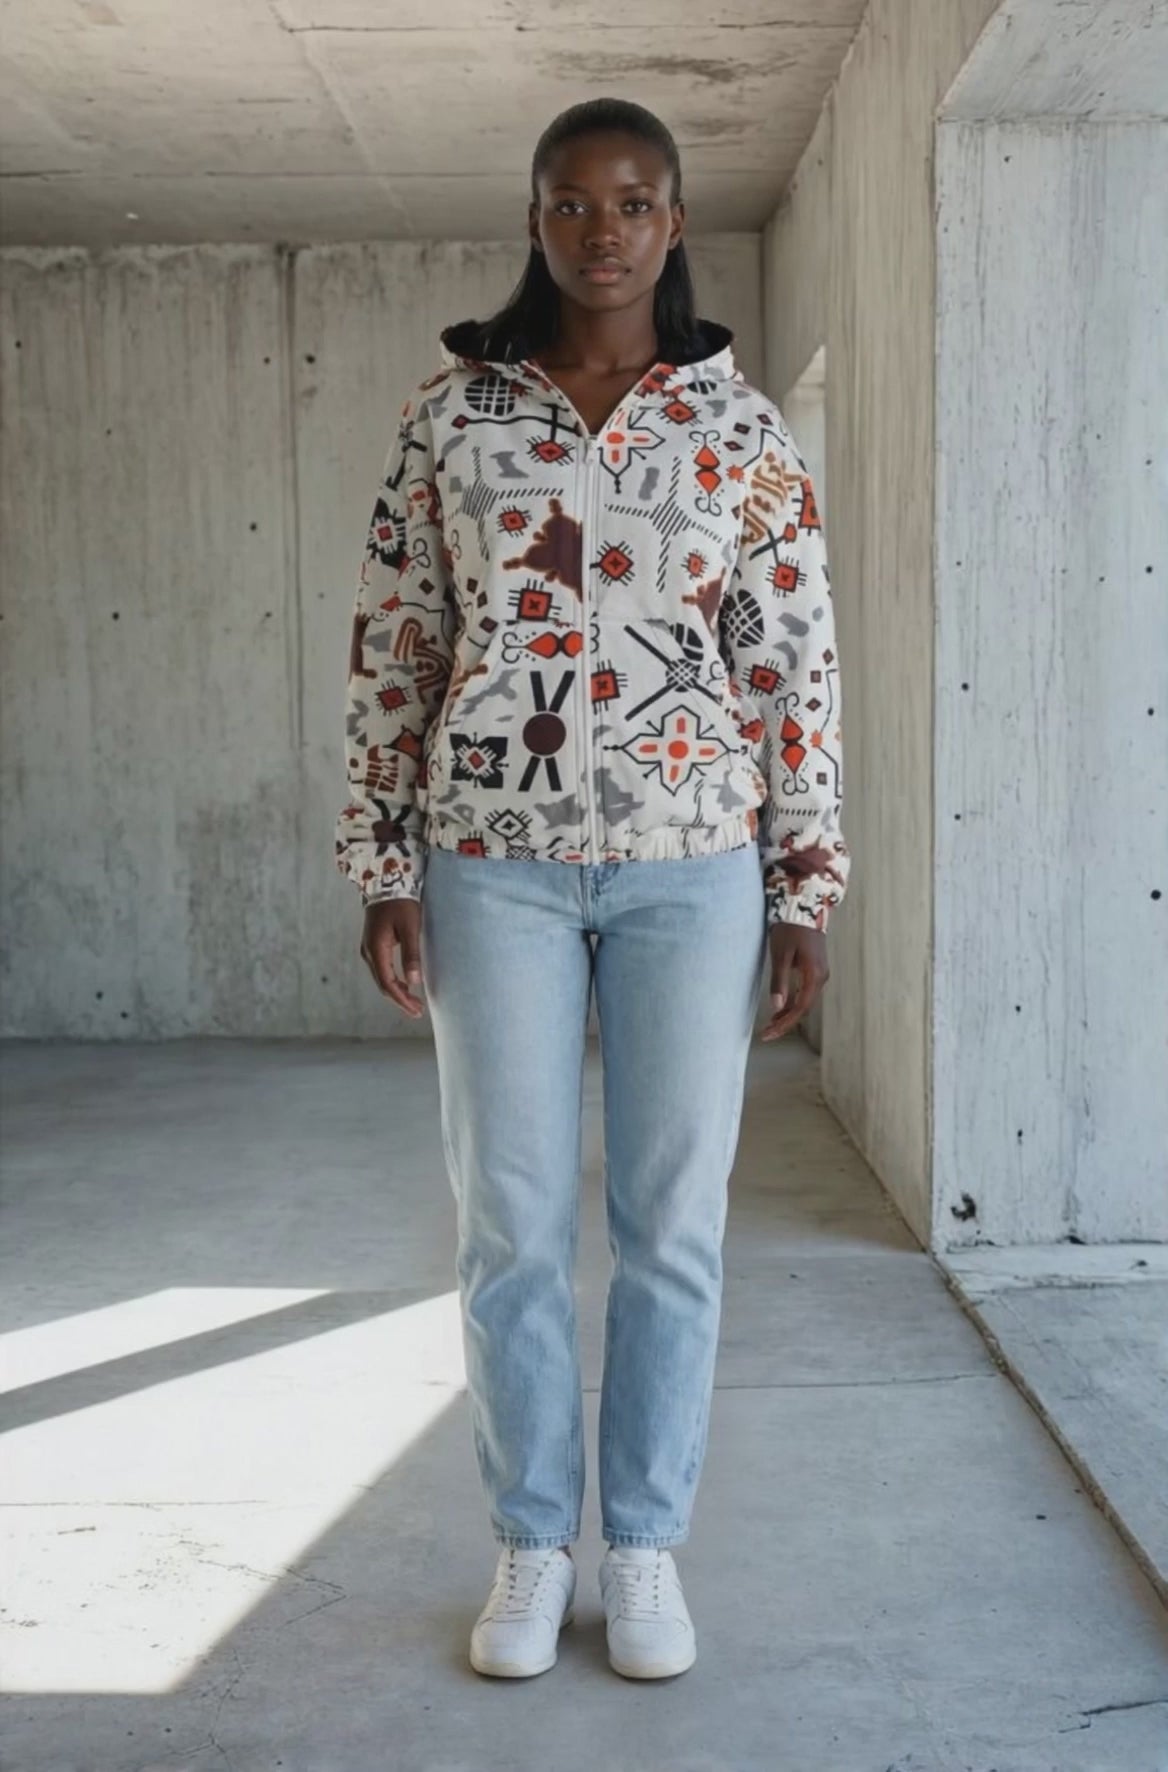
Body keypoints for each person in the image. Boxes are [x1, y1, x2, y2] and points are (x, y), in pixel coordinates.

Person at [335, 96, 851, 1682]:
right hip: (489, 863)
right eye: (572, 202)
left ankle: (642, 1547)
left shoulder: (739, 430)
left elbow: (792, 664)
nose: (603, 229)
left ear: (673, 222)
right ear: (537, 220)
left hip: (692, 866)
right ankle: (529, 1540)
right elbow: (398, 640)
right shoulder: (452, 418)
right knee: (507, 1223)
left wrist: (805, 878)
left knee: (671, 1225)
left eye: (633, 201)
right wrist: (382, 859)